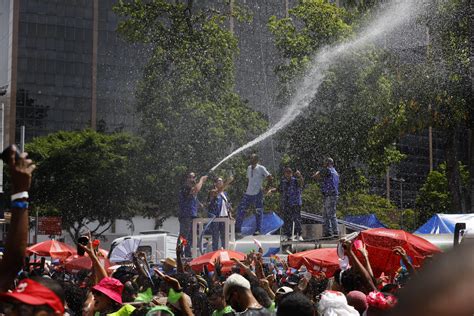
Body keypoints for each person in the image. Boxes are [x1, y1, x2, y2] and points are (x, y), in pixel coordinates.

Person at [235, 154, 274, 236]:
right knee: (241, 209)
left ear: (256, 160)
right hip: (248, 193)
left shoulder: (261, 168)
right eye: (250, 158)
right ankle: (237, 229)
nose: (251, 159)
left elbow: (270, 177)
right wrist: (246, 189)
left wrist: (266, 189)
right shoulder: (249, 168)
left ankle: (258, 230)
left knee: (258, 211)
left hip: (257, 193)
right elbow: (249, 180)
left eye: (252, 158)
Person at [178, 172, 208, 257]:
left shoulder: (190, 188)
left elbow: (192, 197)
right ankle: (179, 253)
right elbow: (196, 190)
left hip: (192, 215)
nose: (192, 179)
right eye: (190, 177)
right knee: (183, 236)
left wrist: (200, 204)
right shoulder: (185, 187)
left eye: (194, 177)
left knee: (190, 237)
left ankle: (188, 254)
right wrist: (201, 180)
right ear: (186, 179)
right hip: (185, 215)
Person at [312, 157, 340, 238]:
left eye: (324, 163)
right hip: (332, 194)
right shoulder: (335, 172)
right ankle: (328, 232)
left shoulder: (327, 170)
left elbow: (315, 176)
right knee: (326, 214)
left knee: (330, 214)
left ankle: (335, 232)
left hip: (329, 195)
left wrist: (317, 172)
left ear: (327, 163)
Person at [208, 176, 234, 251]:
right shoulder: (212, 191)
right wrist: (227, 182)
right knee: (215, 236)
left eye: (221, 181)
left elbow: (227, 205)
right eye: (219, 181)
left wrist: (230, 215)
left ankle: (225, 251)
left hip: (224, 217)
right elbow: (217, 192)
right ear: (215, 183)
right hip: (216, 217)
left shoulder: (225, 194)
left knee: (224, 236)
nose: (220, 182)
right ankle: (215, 252)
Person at [278, 167, 304, 241]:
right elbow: (279, 189)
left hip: (296, 203)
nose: (288, 174)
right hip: (287, 203)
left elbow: (301, 183)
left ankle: (299, 234)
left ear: (291, 174)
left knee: (297, 219)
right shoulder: (283, 182)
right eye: (286, 173)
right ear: (284, 174)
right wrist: (270, 190)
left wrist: (299, 176)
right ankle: (287, 235)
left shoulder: (295, 181)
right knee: (287, 220)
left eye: (289, 173)